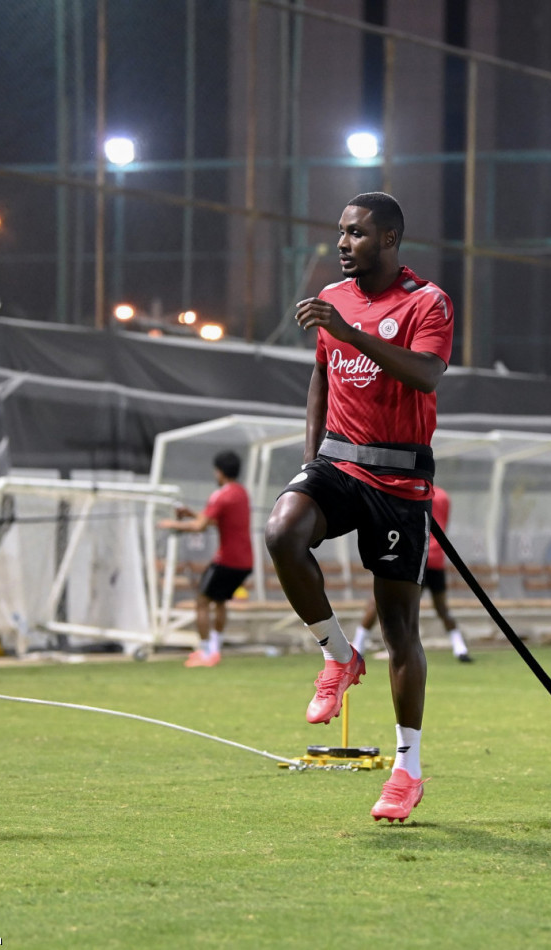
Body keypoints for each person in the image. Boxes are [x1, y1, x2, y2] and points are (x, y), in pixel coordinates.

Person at [264, 192, 453, 822]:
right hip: (339, 465)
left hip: (399, 485)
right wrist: (309, 457)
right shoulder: (334, 299)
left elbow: (425, 376)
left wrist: (354, 335)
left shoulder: (427, 302)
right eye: (341, 232)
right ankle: (338, 654)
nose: (344, 243)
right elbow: (321, 375)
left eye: (358, 234)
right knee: (284, 530)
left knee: (402, 634)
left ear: (391, 240)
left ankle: (407, 768)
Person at [352, 485, 472, 662]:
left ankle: (359, 646)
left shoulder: (412, 491)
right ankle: (460, 648)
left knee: (382, 601)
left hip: (415, 557)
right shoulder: (443, 496)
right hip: (436, 560)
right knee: (442, 609)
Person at [159, 450, 253, 667]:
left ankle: (205, 652)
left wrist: (171, 524)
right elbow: (211, 520)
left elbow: (199, 526)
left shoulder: (220, 495)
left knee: (202, 602)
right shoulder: (241, 493)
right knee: (219, 601)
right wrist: (191, 514)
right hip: (245, 561)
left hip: (226, 560)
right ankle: (215, 651)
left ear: (219, 472)